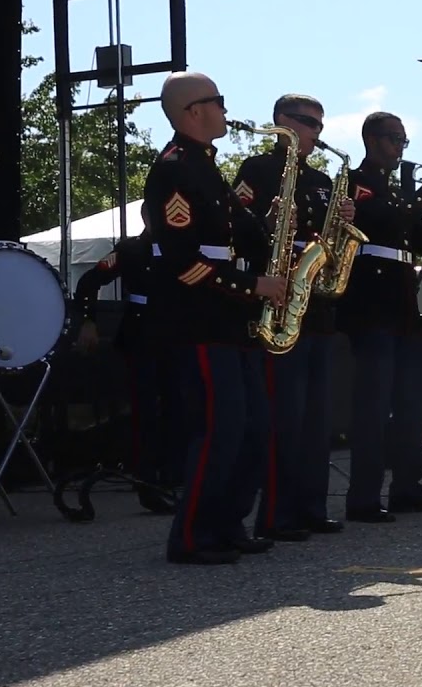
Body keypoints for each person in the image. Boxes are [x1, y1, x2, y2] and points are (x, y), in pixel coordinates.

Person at [145, 71, 286, 565]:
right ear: (193, 111)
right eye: (219, 102)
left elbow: (237, 235)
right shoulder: (173, 169)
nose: (227, 110)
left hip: (232, 322)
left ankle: (228, 524)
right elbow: (183, 262)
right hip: (201, 321)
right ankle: (190, 536)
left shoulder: (208, 168)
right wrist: (252, 286)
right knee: (220, 429)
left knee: (253, 427)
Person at [230, 93, 355, 542]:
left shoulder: (323, 179)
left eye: (319, 125)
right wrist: (266, 223)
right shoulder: (258, 171)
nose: (313, 132)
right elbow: (236, 232)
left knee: (318, 418)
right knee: (286, 417)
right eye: (305, 122)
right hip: (280, 298)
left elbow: (333, 240)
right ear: (281, 122)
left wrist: (344, 220)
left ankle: (311, 506)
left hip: (317, 304)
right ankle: (276, 514)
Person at [338, 112, 422, 520]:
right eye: (394, 140)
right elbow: (383, 220)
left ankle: (407, 486)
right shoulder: (357, 181)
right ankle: (364, 497)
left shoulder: (393, 188)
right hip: (372, 303)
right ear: (371, 138)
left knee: (410, 402)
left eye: (404, 141)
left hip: (404, 304)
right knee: (373, 406)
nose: (401, 148)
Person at [73, 206, 181, 513]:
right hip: (142, 334)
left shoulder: (183, 248)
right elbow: (89, 282)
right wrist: (88, 320)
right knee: (145, 411)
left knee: (178, 407)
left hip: (178, 335)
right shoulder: (132, 249)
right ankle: (146, 480)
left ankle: (173, 474)